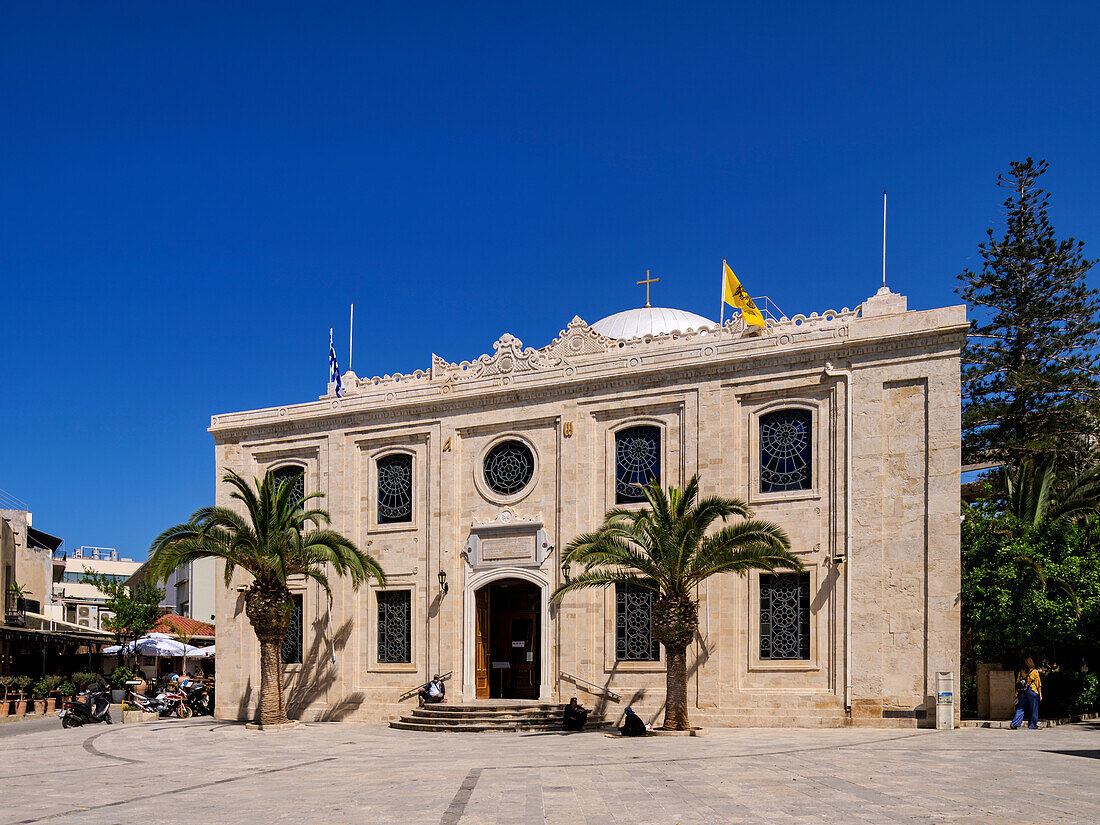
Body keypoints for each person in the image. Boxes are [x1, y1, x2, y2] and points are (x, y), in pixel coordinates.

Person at [1010, 657, 1042, 730]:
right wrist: (1040, 694)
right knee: (1033, 708)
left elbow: (1018, 683)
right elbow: (1038, 684)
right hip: (1032, 691)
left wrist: (1016, 694)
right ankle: (1032, 725)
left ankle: (1014, 723)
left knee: (1021, 708)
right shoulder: (1035, 672)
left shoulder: (1021, 672)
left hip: (1022, 692)